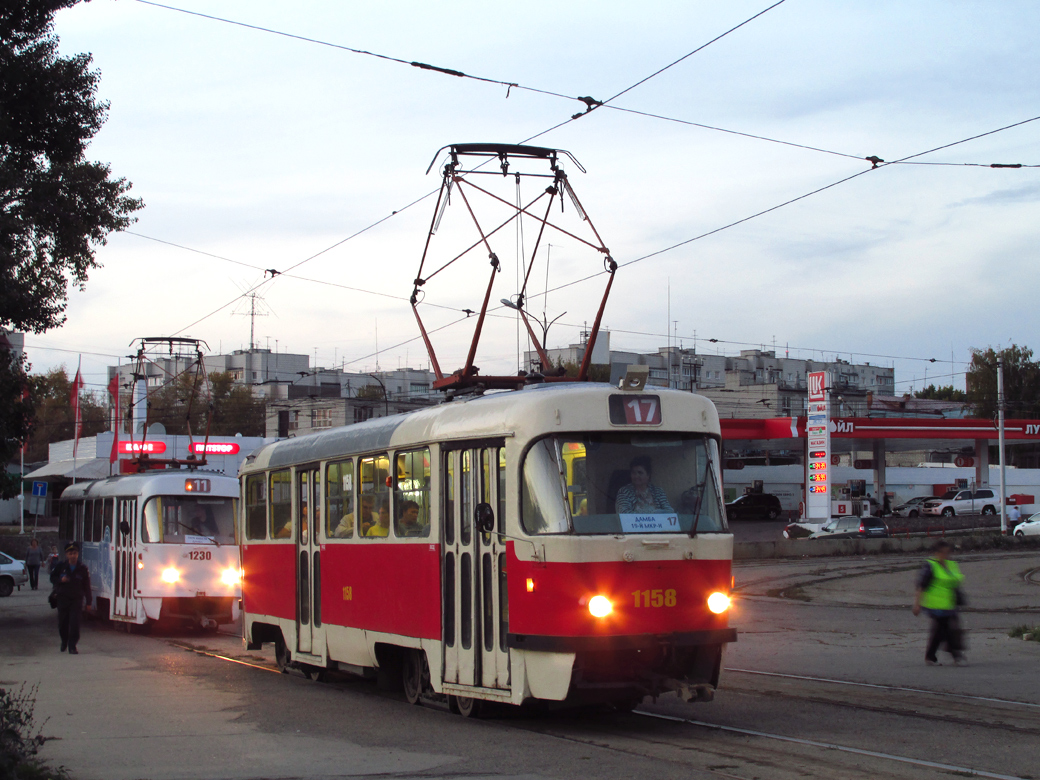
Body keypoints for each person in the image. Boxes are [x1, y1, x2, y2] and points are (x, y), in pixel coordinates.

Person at [912, 540, 966, 666]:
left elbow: (956, 581)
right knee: (945, 628)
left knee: (942, 630)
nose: (946, 555)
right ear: (937, 553)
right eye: (943, 552)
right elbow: (921, 586)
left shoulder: (951, 564)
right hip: (935, 605)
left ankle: (932, 656)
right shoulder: (930, 566)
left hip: (949, 603)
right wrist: (917, 604)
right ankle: (955, 655)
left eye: (948, 552)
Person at [50, 543, 92, 654]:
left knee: (75, 623)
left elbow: (87, 586)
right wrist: (60, 580)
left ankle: (72, 645)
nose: (73, 555)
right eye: (70, 553)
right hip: (63, 599)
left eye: (74, 553)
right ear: (66, 555)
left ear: (78, 554)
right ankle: (64, 640)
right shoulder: (61, 566)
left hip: (76, 600)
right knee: (63, 623)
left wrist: (89, 602)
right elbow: (52, 577)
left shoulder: (82, 568)